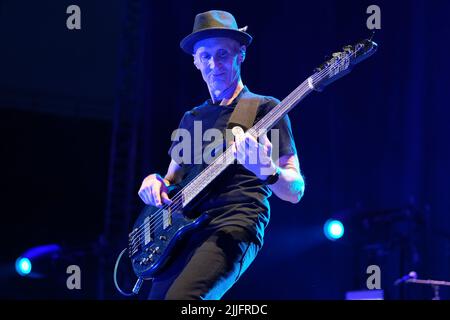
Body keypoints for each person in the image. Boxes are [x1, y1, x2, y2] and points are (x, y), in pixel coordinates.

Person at [138, 10, 305, 300]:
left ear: (241, 55)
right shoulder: (191, 118)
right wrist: (154, 182)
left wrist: (269, 171)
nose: (214, 65)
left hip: (233, 224)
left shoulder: (264, 109)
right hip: (184, 232)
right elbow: (170, 180)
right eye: (205, 56)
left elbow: (296, 190)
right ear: (195, 61)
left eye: (223, 55)